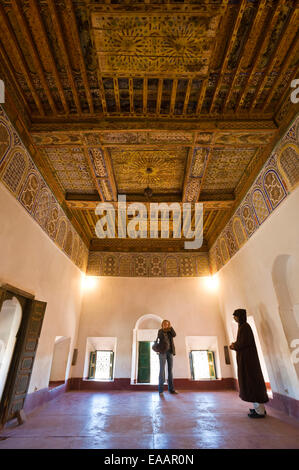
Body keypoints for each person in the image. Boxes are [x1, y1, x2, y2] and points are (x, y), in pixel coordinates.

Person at [230, 308, 269, 418]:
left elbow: (243, 343)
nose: (234, 318)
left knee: (253, 383)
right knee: (251, 383)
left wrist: (234, 346)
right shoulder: (242, 327)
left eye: (236, 316)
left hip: (248, 361)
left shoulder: (245, 327)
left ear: (240, 316)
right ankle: (258, 408)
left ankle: (260, 411)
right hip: (247, 360)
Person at [157, 320, 178, 395]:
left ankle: (171, 389)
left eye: (167, 324)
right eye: (165, 324)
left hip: (170, 352)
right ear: (162, 324)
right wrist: (164, 330)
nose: (166, 325)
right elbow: (159, 338)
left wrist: (170, 328)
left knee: (170, 371)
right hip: (162, 352)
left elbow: (174, 334)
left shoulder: (170, 331)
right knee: (162, 370)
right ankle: (161, 390)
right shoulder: (160, 331)